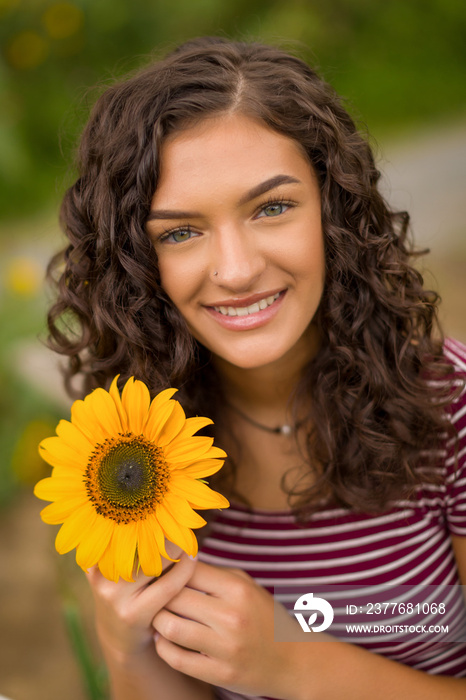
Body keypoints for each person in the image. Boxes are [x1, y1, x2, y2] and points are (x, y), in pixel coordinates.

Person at [46, 37, 466, 699]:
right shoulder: (129, 452)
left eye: (271, 208)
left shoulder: (455, 408)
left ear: (334, 213)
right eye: (181, 231)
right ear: (137, 259)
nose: (237, 271)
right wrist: (126, 647)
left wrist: (292, 665)